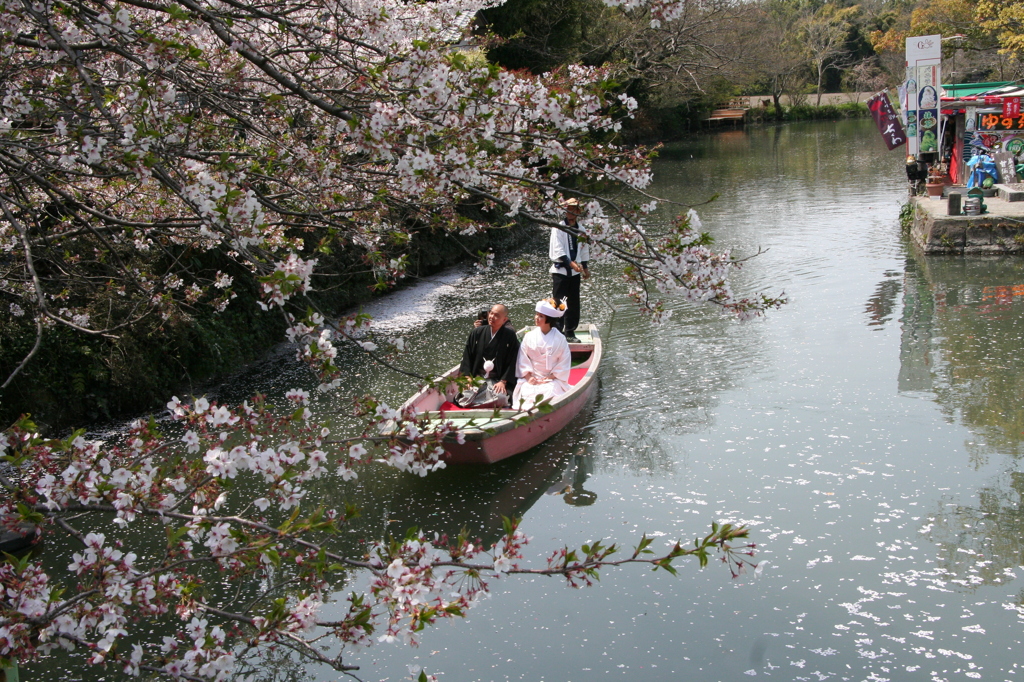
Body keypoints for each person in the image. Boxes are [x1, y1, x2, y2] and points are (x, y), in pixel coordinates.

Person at [512, 299, 572, 410]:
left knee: (549, 391)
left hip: (552, 378)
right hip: (533, 376)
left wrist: (549, 377)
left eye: (541, 316)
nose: (536, 318)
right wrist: (529, 377)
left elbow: (564, 362)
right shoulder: (529, 336)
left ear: (549, 320)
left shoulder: (560, 338)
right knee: (526, 390)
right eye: (536, 315)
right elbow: (522, 359)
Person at [457, 304, 520, 408]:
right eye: (491, 313)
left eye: (496, 315)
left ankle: (478, 404)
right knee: (465, 396)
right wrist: (467, 377)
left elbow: (513, 360)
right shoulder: (476, 332)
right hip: (477, 378)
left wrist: (503, 381)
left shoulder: (509, 336)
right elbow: (467, 355)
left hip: (497, 379)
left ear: (504, 319)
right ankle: (482, 403)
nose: (492, 317)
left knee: (501, 397)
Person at [549, 197, 590, 342]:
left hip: (574, 272)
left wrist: (585, 267)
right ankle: (557, 332)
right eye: (568, 209)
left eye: (573, 209)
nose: (570, 212)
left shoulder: (581, 229)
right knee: (559, 302)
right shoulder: (559, 227)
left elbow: (584, 250)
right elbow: (558, 249)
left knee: (573, 303)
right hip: (560, 271)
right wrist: (570, 263)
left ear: (578, 211)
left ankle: (570, 332)